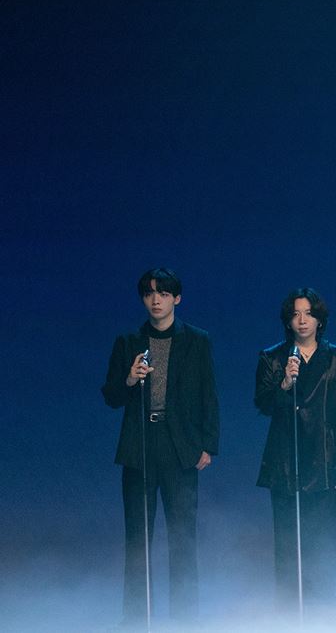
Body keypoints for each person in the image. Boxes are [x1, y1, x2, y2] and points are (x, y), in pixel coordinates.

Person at [100, 268, 219, 627]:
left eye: (164, 293)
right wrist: (129, 378)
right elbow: (111, 397)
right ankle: (136, 621)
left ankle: (185, 622)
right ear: (143, 299)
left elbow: (208, 395)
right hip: (139, 445)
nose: (156, 300)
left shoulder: (196, 340)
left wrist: (208, 445)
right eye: (150, 293)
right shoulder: (128, 341)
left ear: (176, 299)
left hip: (180, 446)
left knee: (183, 539)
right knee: (138, 540)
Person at [254, 287, 336, 613]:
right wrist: (285, 384)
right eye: (296, 314)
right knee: (287, 543)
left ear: (319, 319)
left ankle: (323, 616)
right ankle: (288, 615)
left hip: (325, 459)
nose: (302, 320)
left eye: (308, 314)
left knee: (322, 542)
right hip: (286, 458)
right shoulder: (273, 357)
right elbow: (262, 404)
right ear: (288, 320)